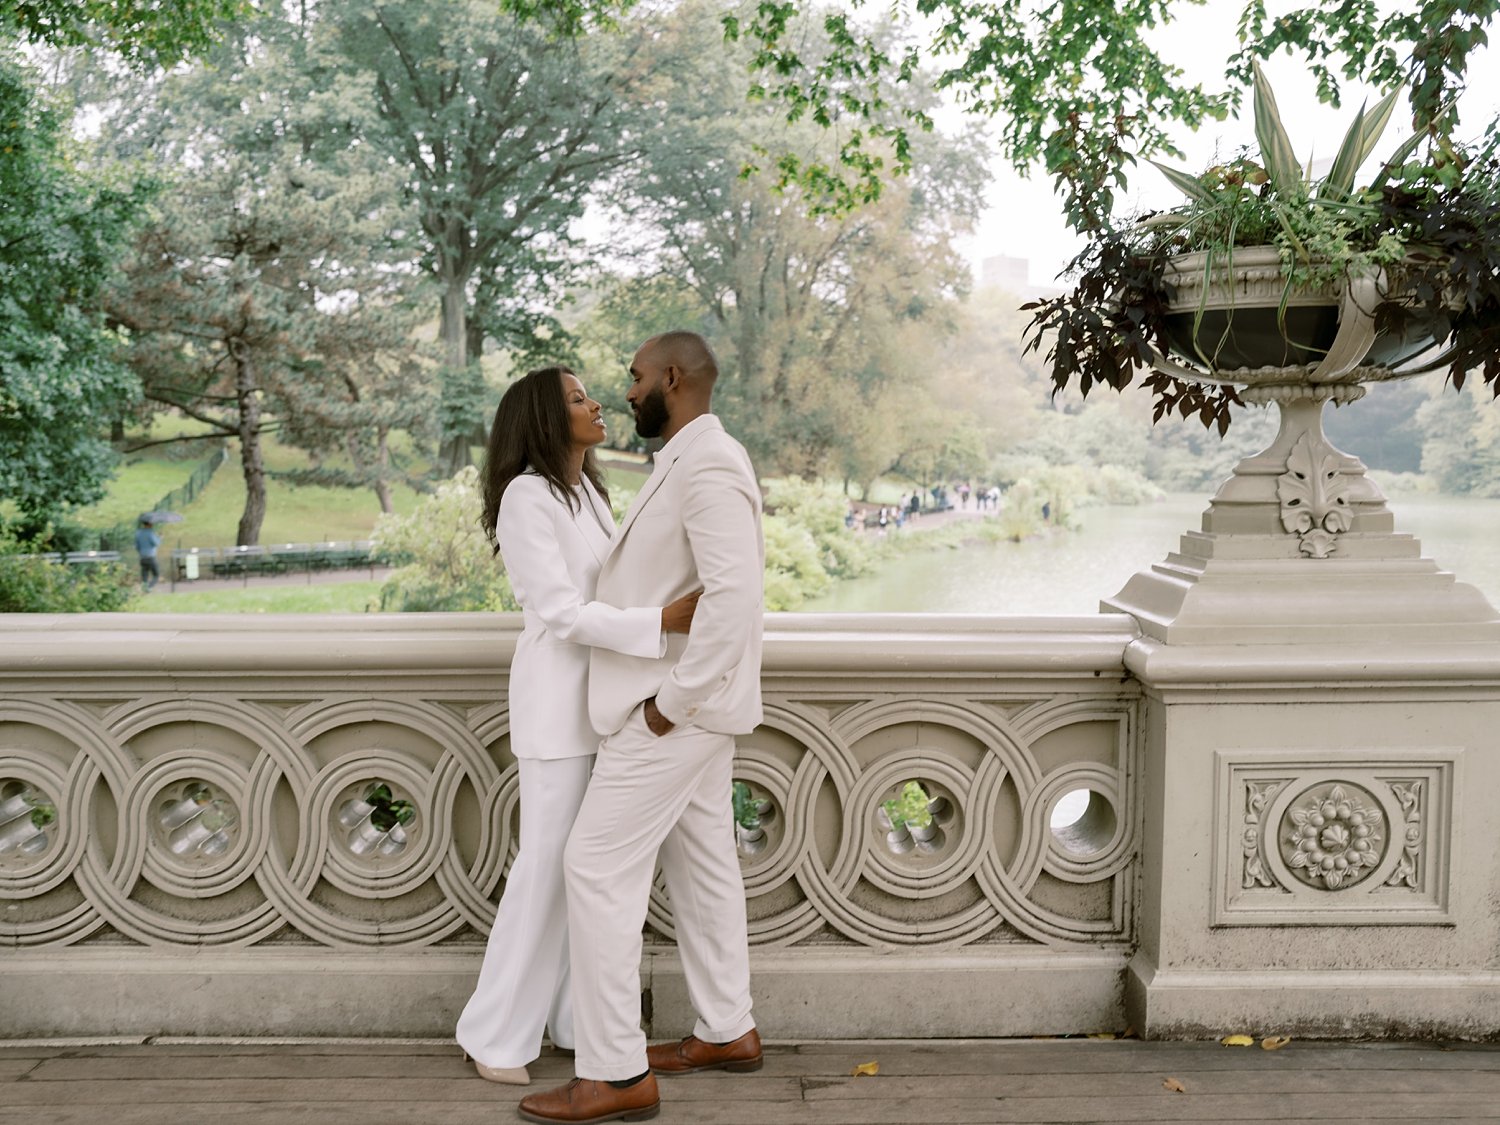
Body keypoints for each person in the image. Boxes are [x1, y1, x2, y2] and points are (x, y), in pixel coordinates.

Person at [519, 332, 765, 1124]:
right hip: (688, 710)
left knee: (592, 866)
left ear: (670, 377)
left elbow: (733, 601)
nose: (623, 394)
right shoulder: (683, 462)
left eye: (631, 379)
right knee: (702, 865)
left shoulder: (713, 463)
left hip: (674, 712)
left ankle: (615, 1072)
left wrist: (671, 703)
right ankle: (727, 1027)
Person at [455, 366, 701, 1088]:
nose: (597, 403)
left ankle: (569, 1018)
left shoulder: (589, 490)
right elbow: (560, 611)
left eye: (592, 393)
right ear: (542, 418)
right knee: (545, 867)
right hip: (556, 707)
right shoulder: (527, 497)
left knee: (584, 872)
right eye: (577, 397)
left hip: (603, 704)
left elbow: (617, 583)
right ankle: (494, 1031)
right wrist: (663, 622)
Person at [134, 519, 161, 590]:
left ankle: (144, 588)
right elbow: (156, 543)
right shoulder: (150, 533)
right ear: (150, 524)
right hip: (151, 557)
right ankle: (149, 587)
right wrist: (160, 537)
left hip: (142, 557)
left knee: (144, 575)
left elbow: (137, 546)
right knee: (156, 575)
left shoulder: (138, 533)